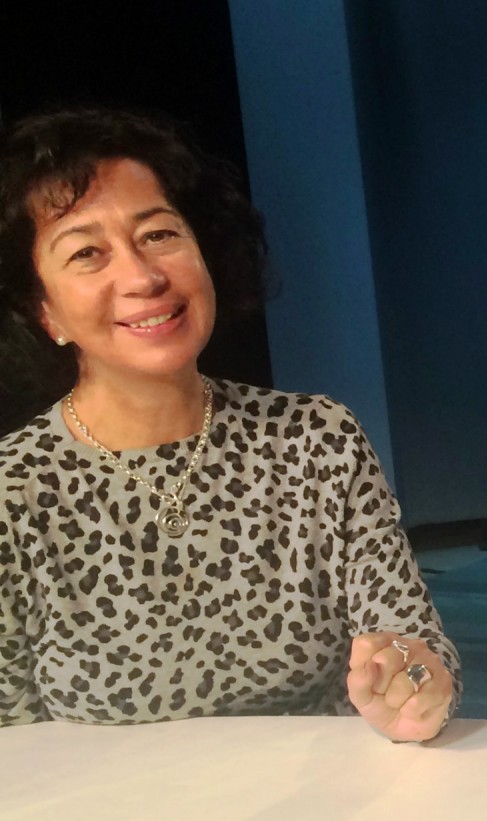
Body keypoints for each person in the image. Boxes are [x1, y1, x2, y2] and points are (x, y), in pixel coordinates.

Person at [0, 108, 457, 741]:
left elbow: (410, 637)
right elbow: (13, 746)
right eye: (86, 252)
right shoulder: (14, 493)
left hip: (328, 792)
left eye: (159, 234)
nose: (143, 277)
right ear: (44, 311)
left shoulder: (315, 440)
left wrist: (414, 681)